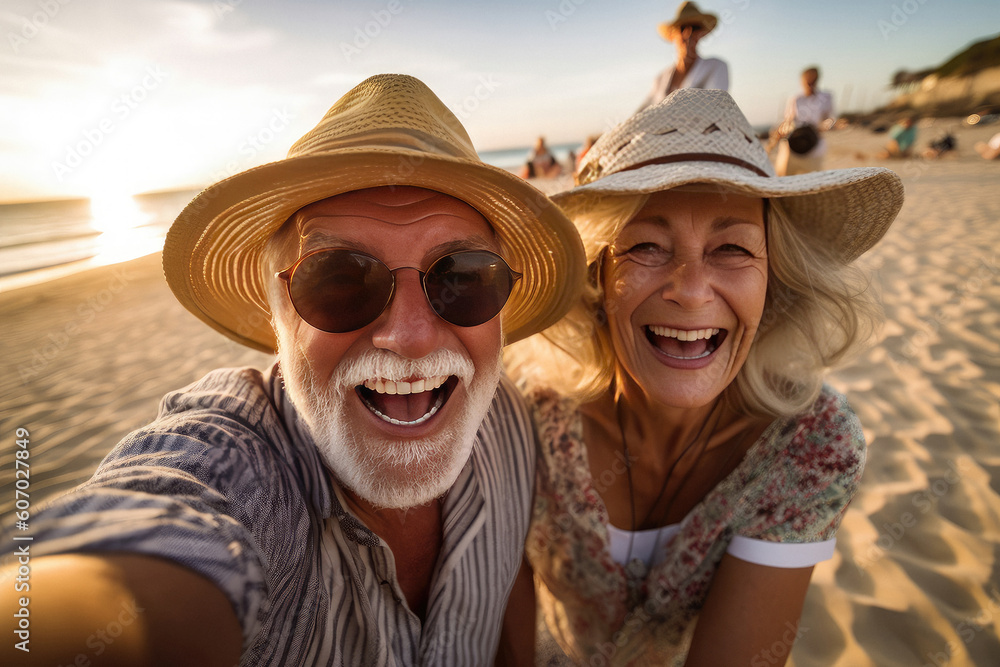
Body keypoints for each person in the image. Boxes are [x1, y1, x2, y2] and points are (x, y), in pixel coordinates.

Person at [0, 74, 586, 666]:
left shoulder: (509, 421)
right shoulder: (240, 470)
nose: (408, 336)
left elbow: (511, 588)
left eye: (461, 276)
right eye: (338, 280)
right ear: (274, 309)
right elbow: (149, 540)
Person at [504, 89, 904, 665]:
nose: (690, 290)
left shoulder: (812, 445)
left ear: (774, 281)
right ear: (596, 273)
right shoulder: (525, 416)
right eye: (645, 245)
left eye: (732, 249)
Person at [637, 1, 730, 112]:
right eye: (683, 28)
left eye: (694, 28)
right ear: (673, 35)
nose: (688, 34)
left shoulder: (716, 66)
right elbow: (641, 113)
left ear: (701, 34)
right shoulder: (660, 78)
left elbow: (714, 109)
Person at [769, 66, 835, 175]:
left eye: (813, 81)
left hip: (814, 146)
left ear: (817, 80)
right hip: (793, 145)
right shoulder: (796, 99)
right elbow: (788, 120)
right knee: (783, 178)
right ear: (802, 81)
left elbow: (831, 118)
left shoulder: (826, 97)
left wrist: (823, 126)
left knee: (813, 181)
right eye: (807, 81)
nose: (810, 84)